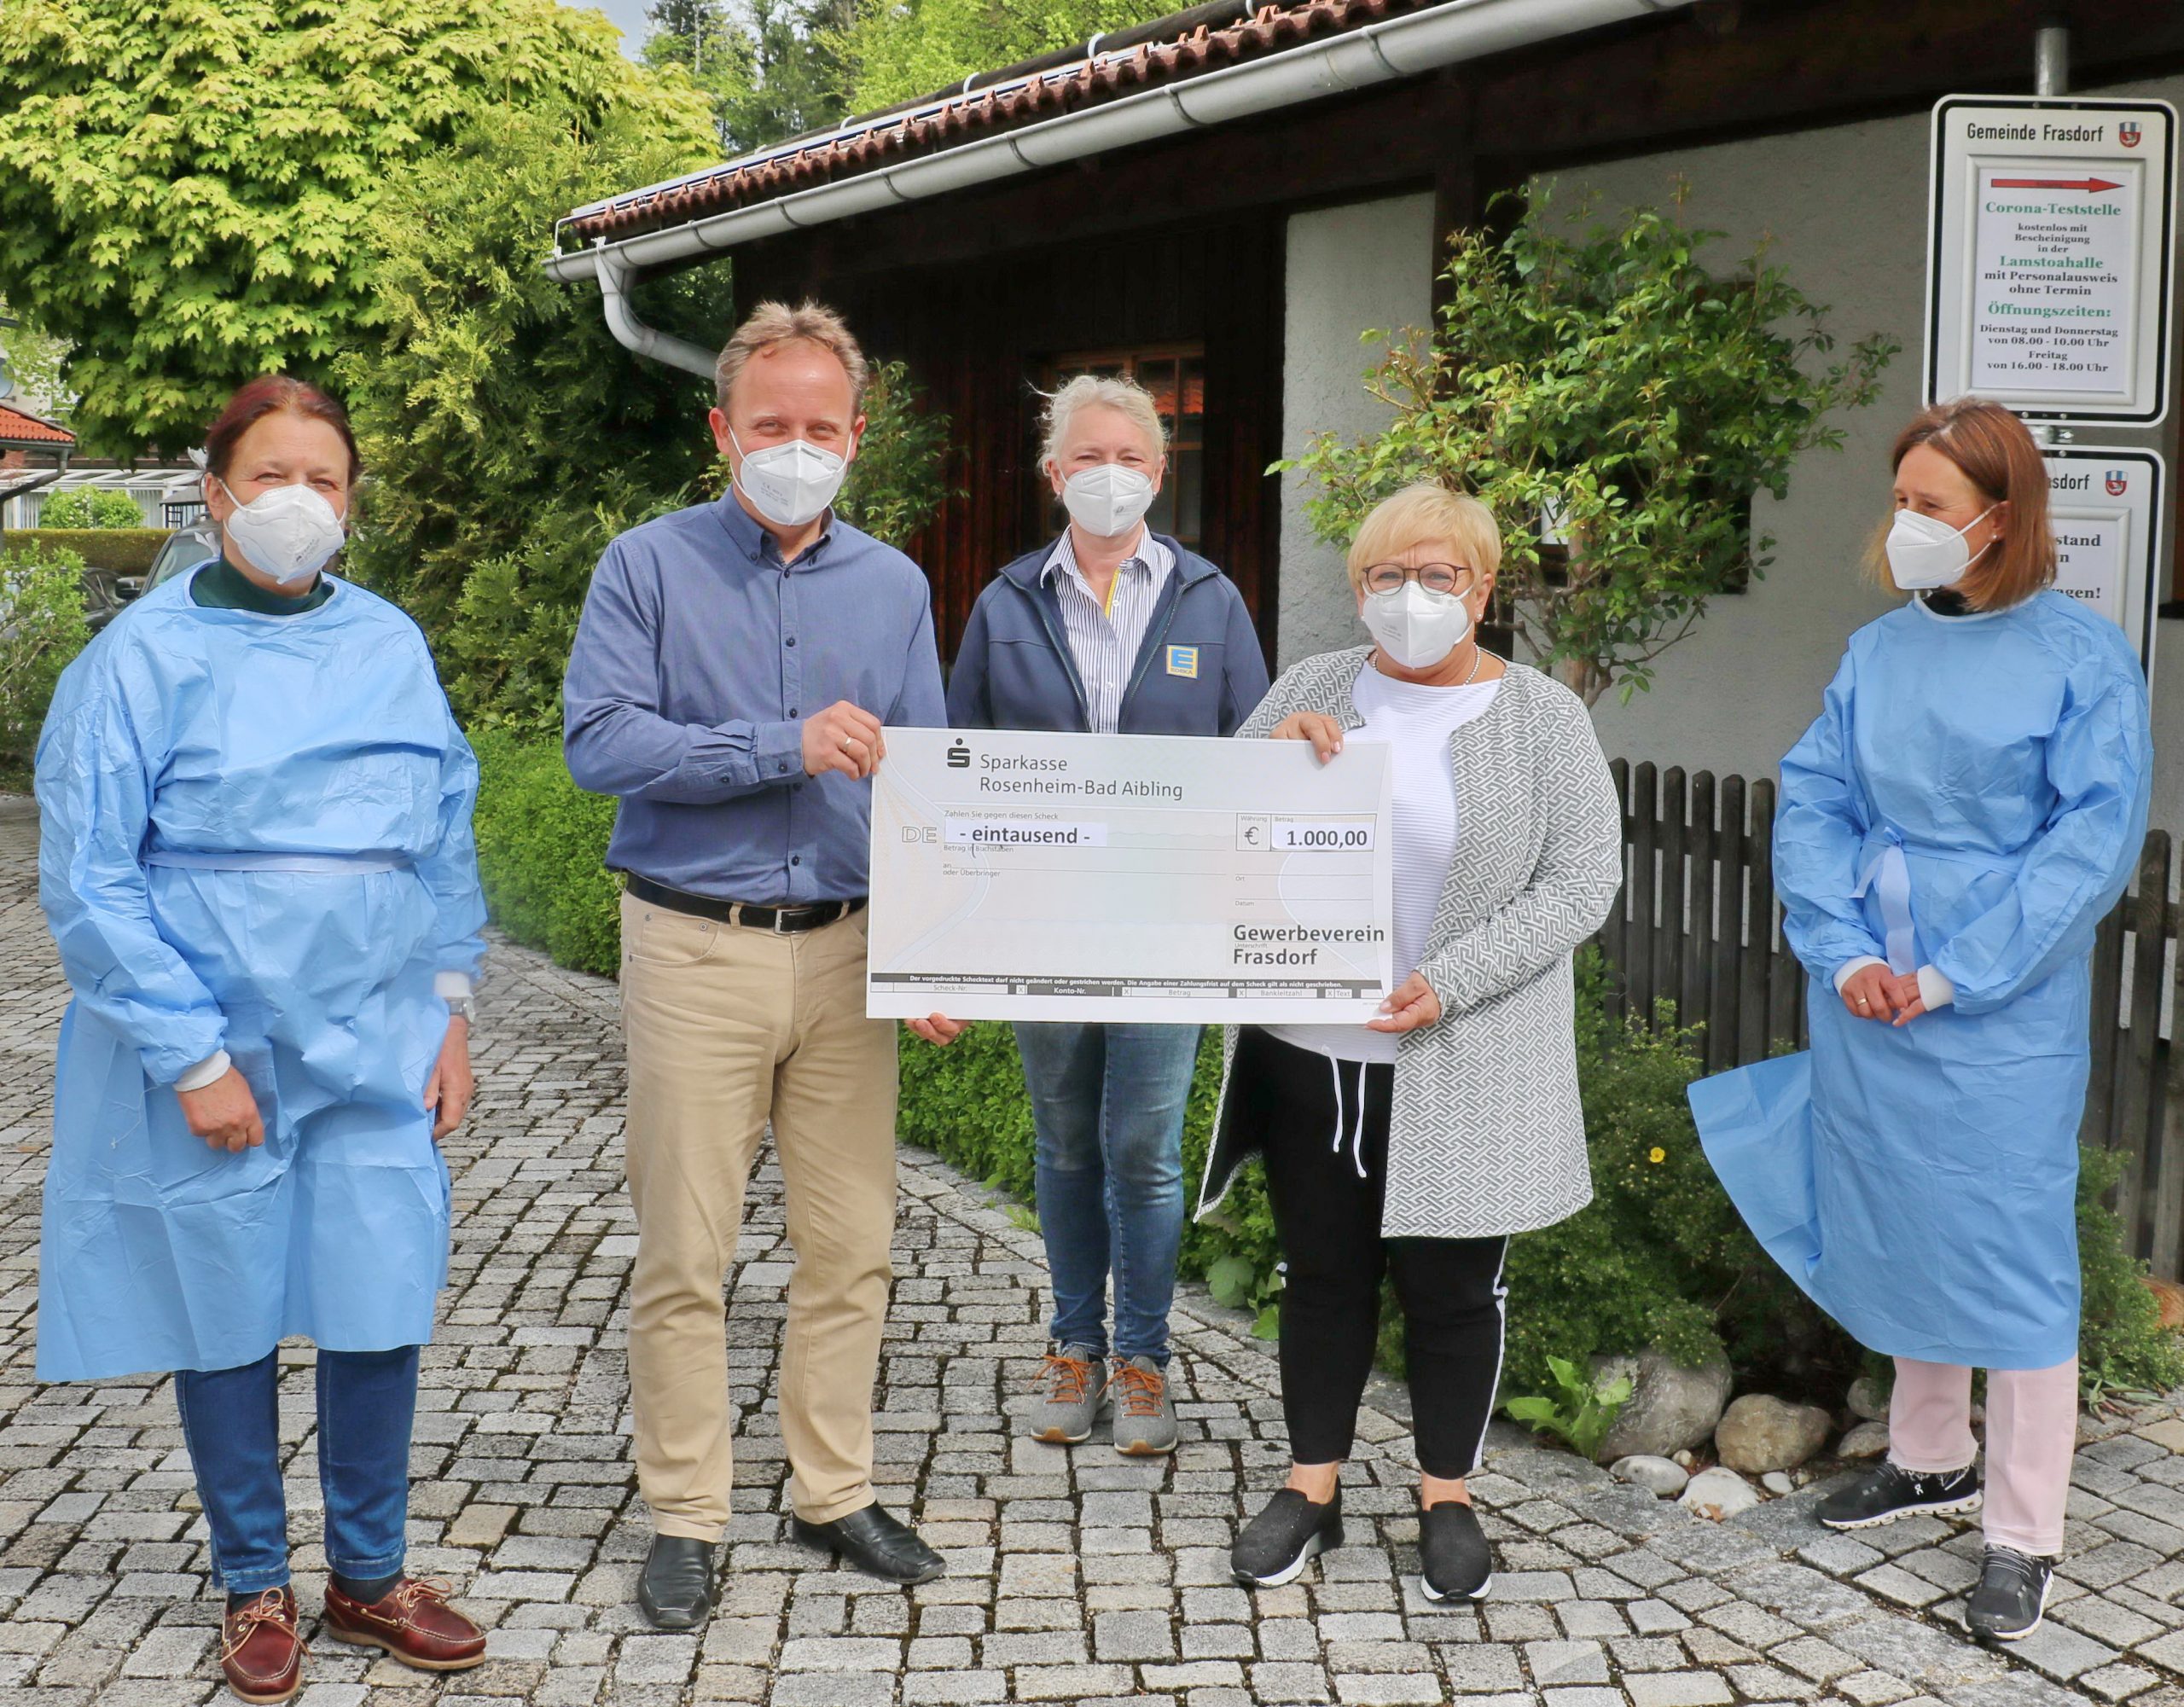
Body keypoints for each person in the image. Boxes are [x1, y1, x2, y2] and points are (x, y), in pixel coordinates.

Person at [35, 376, 490, 1704]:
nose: (299, 502)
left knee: (376, 1284)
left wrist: (451, 1005)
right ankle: (252, 1581)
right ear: (216, 488)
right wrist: (189, 1054)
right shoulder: (140, 658)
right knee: (223, 1290)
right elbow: (93, 874)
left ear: (352, 501)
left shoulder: (389, 642)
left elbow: (443, 828)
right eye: (272, 475)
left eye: (324, 481)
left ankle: (370, 1574)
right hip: (220, 1029)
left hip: (376, 1029)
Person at [1689, 398, 2152, 1645]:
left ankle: (2023, 1529)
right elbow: (1817, 798)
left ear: (2002, 517)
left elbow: (2087, 847)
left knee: (2009, 1249)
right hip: (1867, 991)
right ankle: (1930, 1455)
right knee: (1894, 1212)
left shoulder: (2081, 658)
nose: (1905, 523)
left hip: (1999, 1002)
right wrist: (1843, 950)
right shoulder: (1880, 651)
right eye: (1899, 500)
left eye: (1930, 506)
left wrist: (1953, 973)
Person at [565, 300, 960, 1632]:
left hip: (849, 952)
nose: (799, 446)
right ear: (723, 428)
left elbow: (924, 785)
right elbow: (599, 743)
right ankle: (686, 1512)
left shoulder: (895, 586)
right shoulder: (645, 567)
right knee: (688, 1251)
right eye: (772, 423)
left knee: (854, 1248)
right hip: (696, 945)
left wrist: (937, 945)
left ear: (858, 435)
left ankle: (832, 1491)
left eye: (822, 426)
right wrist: (776, 745)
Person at [1194, 482, 1622, 1600]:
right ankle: (1312, 1485)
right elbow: (1210, 829)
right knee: (1319, 1275)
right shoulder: (1310, 687)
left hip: (1463, 1053)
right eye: (1386, 575)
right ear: (1358, 588)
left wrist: (1452, 981)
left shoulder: (1542, 719)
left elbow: (1582, 882)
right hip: (1311, 1050)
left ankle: (1447, 1494)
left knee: (1454, 1290)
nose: (1411, 595)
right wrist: (1266, 761)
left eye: (1438, 575)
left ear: (1483, 589)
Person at [947, 374, 1269, 1455]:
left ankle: (1143, 1359)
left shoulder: (1210, 601)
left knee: (1144, 1148)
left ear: (1160, 473)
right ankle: (1073, 1345)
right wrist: (947, 943)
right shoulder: (1005, 603)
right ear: (1054, 473)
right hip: (1042, 923)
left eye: (1130, 457)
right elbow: (955, 769)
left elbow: (1258, 758)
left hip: (1168, 924)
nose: (1109, 474)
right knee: (1064, 1141)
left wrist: (1307, 747)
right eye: (1087, 456)